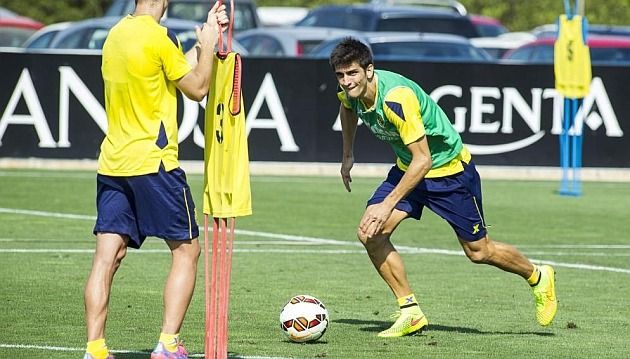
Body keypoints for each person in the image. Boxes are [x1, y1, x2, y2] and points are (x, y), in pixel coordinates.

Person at [329, 37, 557, 338]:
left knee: (479, 251)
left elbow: (423, 160)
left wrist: (386, 205)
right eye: (341, 75)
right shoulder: (351, 93)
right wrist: (347, 154)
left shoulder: (397, 99)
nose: (346, 82)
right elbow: (347, 108)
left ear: (369, 70)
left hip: (449, 173)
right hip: (407, 169)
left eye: (353, 73)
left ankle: (538, 276)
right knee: (370, 233)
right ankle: (410, 312)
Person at [83, 1, 229, 358]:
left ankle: (95, 348)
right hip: (155, 162)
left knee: (107, 256)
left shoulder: (115, 35)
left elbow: (169, 71)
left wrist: (201, 41)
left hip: (114, 163)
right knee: (187, 250)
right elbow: (196, 89)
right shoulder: (161, 36)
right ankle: (167, 344)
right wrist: (210, 46)